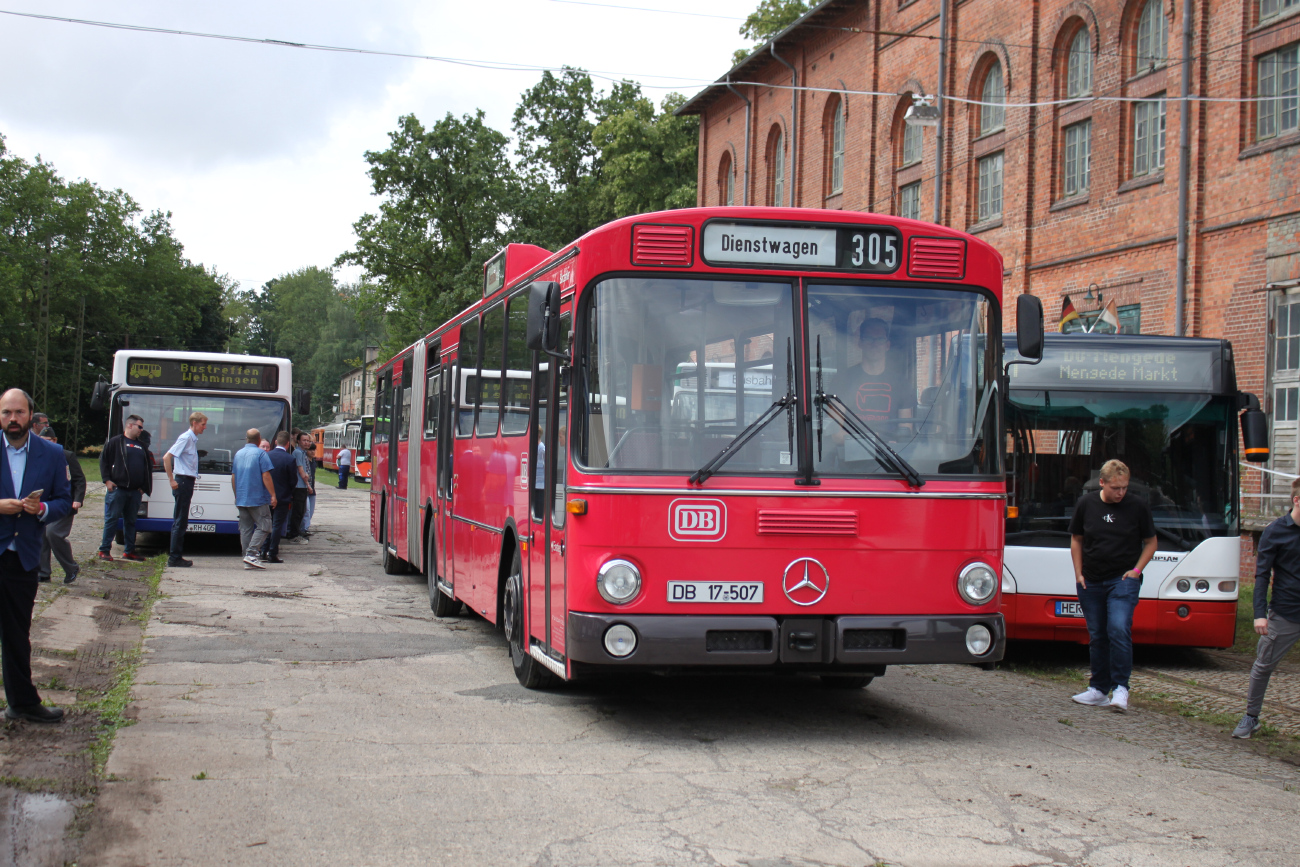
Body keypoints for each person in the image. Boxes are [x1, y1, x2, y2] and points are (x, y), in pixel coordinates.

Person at [0, 388, 72, 723]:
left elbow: (62, 499)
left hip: (22, 557)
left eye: (18, 413)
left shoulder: (51, 453)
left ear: (31, 415)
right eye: (5, 413)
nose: (12, 419)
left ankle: (22, 703)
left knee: (16, 634)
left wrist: (41, 508)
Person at [1068, 459, 1157, 713]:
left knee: (1118, 628)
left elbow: (1151, 542)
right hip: (1091, 580)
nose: (1121, 493)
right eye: (1116, 488)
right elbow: (1077, 539)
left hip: (1123, 580)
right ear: (1102, 483)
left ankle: (1121, 688)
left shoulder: (1138, 507)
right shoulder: (1086, 504)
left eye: (1125, 488)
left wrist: (1137, 571)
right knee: (1097, 634)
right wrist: (1078, 574)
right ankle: (1098, 689)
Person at [1233, 477, 1300, 739]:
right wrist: (1260, 614)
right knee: (1263, 665)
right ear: (1296, 500)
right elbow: (1261, 576)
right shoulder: (1276, 531)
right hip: (1285, 612)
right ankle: (1251, 717)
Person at [830, 317, 915, 462]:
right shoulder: (842, 380)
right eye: (869, 339)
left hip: (892, 464)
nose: (874, 344)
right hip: (849, 462)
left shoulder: (902, 383)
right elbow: (836, 434)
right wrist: (874, 440)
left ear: (887, 345)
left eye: (880, 339)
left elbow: (906, 431)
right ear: (860, 343)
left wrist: (890, 444)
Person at [98, 414, 153, 562]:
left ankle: (129, 551)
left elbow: (147, 467)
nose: (141, 430)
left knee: (131, 522)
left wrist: (143, 487)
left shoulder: (141, 446)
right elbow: (103, 461)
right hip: (118, 490)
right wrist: (107, 481)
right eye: (139, 427)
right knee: (112, 519)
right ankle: (104, 550)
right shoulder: (116, 442)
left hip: (135, 492)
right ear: (130, 425)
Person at [37, 428, 84, 584]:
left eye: (47, 440)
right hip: (44, 504)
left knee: (53, 533)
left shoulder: (66, 456)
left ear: (55, 441)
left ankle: (71, 567)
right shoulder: (37, 456)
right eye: (41, 440)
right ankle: (43, 572)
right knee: (42, 536)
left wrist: (77, 499)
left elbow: (79, 479)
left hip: (64, 504)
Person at [162, 411, 207, 568]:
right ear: (194, 423)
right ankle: (174, 557)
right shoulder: (186, 438)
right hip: (182, 481)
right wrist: (171, 480)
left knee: (182, 519)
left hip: (186, 480)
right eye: (202, 424)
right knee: (180, 520)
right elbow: (167, 457)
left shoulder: (191, 440)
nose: (204, 427)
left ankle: (176, 555)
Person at [230, 429, 276, 570]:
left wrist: (236, 495)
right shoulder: (261, 454)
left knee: (245, 529)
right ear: (259, 439)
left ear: (246, 439)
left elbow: (233, 477)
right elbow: (266, 475)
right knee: (265, 526)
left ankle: (247, 558)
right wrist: (273, 495)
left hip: (242, 497)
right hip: (257, 498)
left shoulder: (238, 454)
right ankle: (251, 554)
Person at [260, 431, 297, 563]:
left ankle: (263, 551)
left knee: (266, 524)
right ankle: (273, 553)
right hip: (282, 497)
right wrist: (289, 492)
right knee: (277, 525)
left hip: (266, 496)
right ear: (288, 444)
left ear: (275, 442)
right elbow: (294, 481)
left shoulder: (265, 456)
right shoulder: (290, 459)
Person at [285, 432, 314, 542]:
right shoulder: (297, 453)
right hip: (299, 486)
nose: (306, 443)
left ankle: (298, 531)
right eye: (304, 440)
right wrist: (308, 485)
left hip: (302, 485)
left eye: (308, 440)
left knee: (301, 511)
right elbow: (301, 471)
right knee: (297, 511)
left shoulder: (303, 453)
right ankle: (293, 533)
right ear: (298, 441)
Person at [300, 440, 317, 537]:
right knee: (306, 510)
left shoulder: (314, 462)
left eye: (314, 450)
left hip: (312, 489)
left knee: (311, 510)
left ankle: (306, 527)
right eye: (310, 450)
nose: (312, 452)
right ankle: (304, 528)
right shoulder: (305, 461)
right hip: (306, 488)